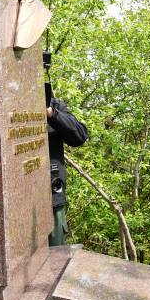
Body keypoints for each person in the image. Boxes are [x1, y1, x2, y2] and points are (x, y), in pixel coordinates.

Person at [47, 97, 89, 246]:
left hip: (52, 200)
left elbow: (80, 136)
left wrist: (53, 114)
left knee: (55, 257)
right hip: (15, 204)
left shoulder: (54, 104)